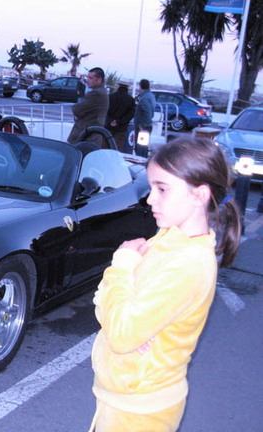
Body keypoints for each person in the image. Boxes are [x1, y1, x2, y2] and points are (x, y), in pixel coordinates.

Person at [89, 136, 241, 431]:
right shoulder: (169, 238)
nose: (150, 199)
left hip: (141, 411)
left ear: (199, 195)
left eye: (162, 189)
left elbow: (120, 333)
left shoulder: (188, 263)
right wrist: (121, 316)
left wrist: (120, 267)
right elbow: (107, 309)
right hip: (122, 396)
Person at [67, 67, 109, 147]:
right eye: (87, 77)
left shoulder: (96, 94)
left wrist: (79, 112)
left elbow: (76, 109)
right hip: (90, 138)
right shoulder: (101, 92)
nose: (87, 80)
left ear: (99, 80)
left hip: (86, 138)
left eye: (90, 78)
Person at [105, 82, 135, 152]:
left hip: (108, 127)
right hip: (121, 128)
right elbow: (131, 114)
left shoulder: (110, 96)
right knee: (117, 148)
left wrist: (111, 121)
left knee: (105, 147)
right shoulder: (130, 100)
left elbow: (106, 110)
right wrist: (119, 121)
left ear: (118, 86)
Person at [133, 79, 156, 157]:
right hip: (147, 125)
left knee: (140, 148)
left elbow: (147, 112)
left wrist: (142, 126)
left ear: (141, 86)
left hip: (143, 126)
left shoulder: (144, 98)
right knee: (144, 147)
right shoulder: (151, 96)